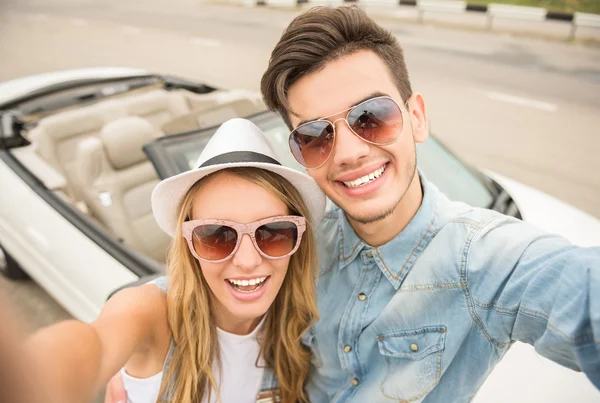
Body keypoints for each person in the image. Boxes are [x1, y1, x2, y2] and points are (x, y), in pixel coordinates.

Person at [107, 6, 600, 403]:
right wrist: (129, 324)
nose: (347, 153)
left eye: (372, 116)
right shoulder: (294, 238)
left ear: (417, 117)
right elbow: (204, 268)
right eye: (316, 134)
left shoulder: (488, 260)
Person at [24, 118, 326, 403]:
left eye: (273, 232)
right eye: (217, 236)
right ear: (187, 242)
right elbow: (96, 344)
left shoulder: (304, 312)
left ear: (298, 239)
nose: (247, 261)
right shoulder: (152, 313)